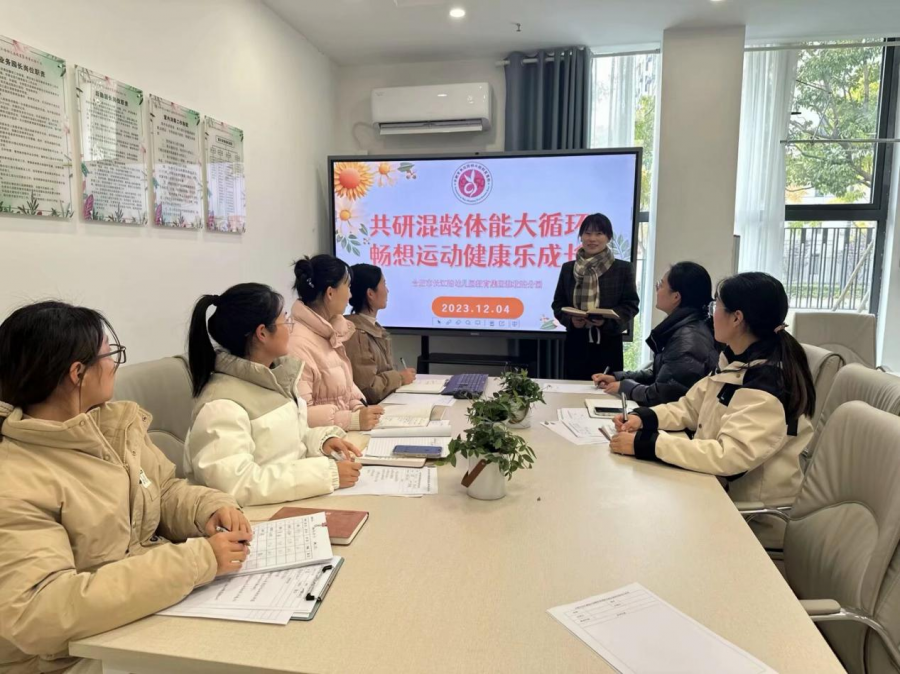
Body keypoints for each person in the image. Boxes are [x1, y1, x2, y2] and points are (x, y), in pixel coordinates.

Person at [0, 301, 251, 674]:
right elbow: (40, 612)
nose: (115, 365)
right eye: (110, 355)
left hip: (139, 623)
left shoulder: (113, 426)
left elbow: (161, 490)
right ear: (77, 373)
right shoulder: (16, 479)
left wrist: (208, 509)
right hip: (70, 659)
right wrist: (198, 561)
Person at [609, 272, 816, 508]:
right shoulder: (734, 362)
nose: (711, 314)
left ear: (736, 318)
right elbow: (690, 408)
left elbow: (728, 456)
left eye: (716, 305)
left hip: (745, 512)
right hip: (711, 487)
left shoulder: (766, 385)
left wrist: (648, 444)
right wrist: (644, 418)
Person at [184, 283, 362, 507]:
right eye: (284, 321)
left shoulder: (272, 378)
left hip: (288, 502)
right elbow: (236, 484)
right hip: (257, 517)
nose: (290, 329)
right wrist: (326, 474)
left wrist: (323, 442)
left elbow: (291, 440)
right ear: (262, 333)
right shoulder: (221, 404)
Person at [592, 261, 719, 405]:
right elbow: (661, 375)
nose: (657, 289)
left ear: (676, 297)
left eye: (661, 285)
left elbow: (663, 395)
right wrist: (618, 378)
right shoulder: (684, 328)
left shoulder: (688, 339)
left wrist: (624, 387)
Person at [289, 254, 384, 430]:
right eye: (347, 287)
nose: (350, 295)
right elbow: (301, 414)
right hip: (324, 440)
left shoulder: (332, 332)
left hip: (340, 434)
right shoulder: (297, 344)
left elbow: (346, 391)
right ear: (330, 293)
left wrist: (359, 409)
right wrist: (351, 419)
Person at [552, 213, 640, 380]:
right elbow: (558, 303)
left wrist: (605, 322)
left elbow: (631, 305)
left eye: (599, 233)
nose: (592, 239)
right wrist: (571, 320)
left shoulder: (623, 269)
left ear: (608, 237)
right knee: (573, 390)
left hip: (608, 342)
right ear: (581, 236)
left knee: (606, 390)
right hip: (576, 342)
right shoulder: (568, 268)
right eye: (587, 233)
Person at [345, 264, 416, 404]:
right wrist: (400, 378)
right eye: (384, 284)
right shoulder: (357, 334)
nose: (387, 290)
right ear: (370, 294)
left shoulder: (374, 329)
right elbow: (368, 389)